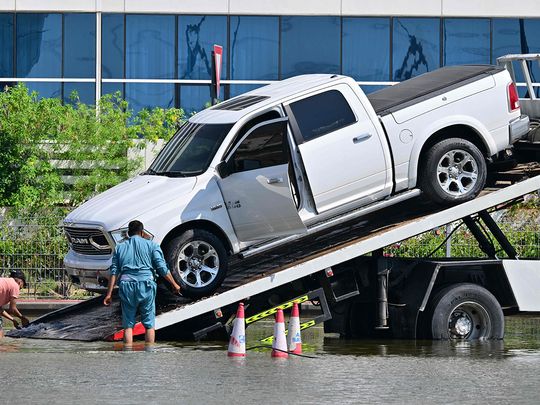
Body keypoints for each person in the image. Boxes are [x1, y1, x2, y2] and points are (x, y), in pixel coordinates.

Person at [103, 220, 181, 346]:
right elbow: (161, 268)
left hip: (126, 286)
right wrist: (174, 284)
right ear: (142, 232)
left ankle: (127, 354)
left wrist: (109, 294)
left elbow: (114, 272)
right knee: (149, 324)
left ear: (128, 233)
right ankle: (149, 354)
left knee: (128, 325)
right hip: (146, 285)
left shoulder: (119, 247)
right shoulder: (152, 246)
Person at [0, 270, 30, 338]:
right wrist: (22, 318)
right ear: (20, 282)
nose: (20, 289)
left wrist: (13, 320)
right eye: (22, 287)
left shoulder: (5, 282)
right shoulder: (15, 285)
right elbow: (12, 309)